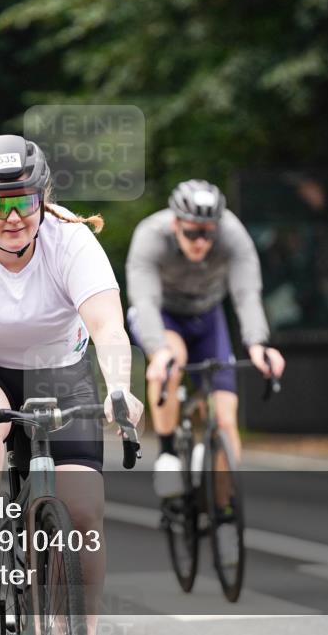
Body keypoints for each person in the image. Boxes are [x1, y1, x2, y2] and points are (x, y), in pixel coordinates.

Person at [0, 135, 144, 633]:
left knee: (83, 515)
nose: (14, 216)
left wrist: (120, 388)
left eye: (25, 201)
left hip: (57, 369)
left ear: (43, 196)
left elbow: (107, 326)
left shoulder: (72, 239)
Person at [125, 179, 286, 498]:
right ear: (175, 224)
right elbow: (145, 302)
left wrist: (257, 344)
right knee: (174, 358)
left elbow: (246, 294)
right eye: (192, 233)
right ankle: (169, 452)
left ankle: (225, 512)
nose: (201, 241)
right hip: (164, 316)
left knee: (226, 419)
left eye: (208, 233)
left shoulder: (233, 234)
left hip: (208, 315)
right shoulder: (151, 236)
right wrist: (158, 352)